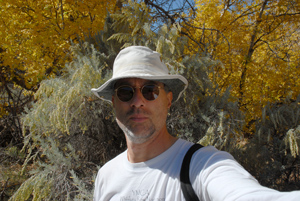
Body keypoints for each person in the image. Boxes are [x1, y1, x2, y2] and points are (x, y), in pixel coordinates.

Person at [91, 46, 300, 201]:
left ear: (168, 100)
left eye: (150, 91)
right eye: (126, 92)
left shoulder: (202, 165)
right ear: (114, 102)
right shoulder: (106, 176)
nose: (138, 102)